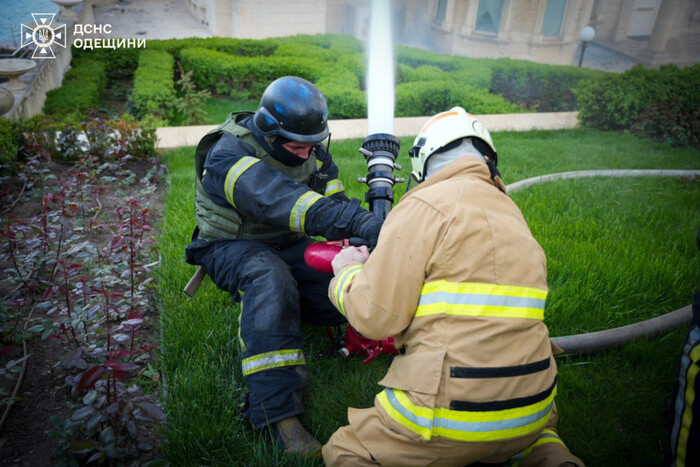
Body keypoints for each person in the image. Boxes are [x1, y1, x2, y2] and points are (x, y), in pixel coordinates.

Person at [323, 107, 584, 466]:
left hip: (449, 413)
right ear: (488, 159)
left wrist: (348, 274)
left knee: (345, 448)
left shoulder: (421, 205)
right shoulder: (513, 214)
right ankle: (549, 455)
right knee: (532, 438)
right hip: (533, 406)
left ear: (423, 164)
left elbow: (375, 318)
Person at [185, 76, 383, 457]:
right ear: (269, 133)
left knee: (342, 281)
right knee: (270, 279)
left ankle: (327, 325)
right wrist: (358, 223)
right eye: (297, 147)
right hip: (231, 246)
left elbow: (333, 200)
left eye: (313, 146)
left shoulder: (312, 152)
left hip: (289, 243)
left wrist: (360, 242)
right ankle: (278, 417)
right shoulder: (227, 154)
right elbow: (277, 199)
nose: (309, 156)